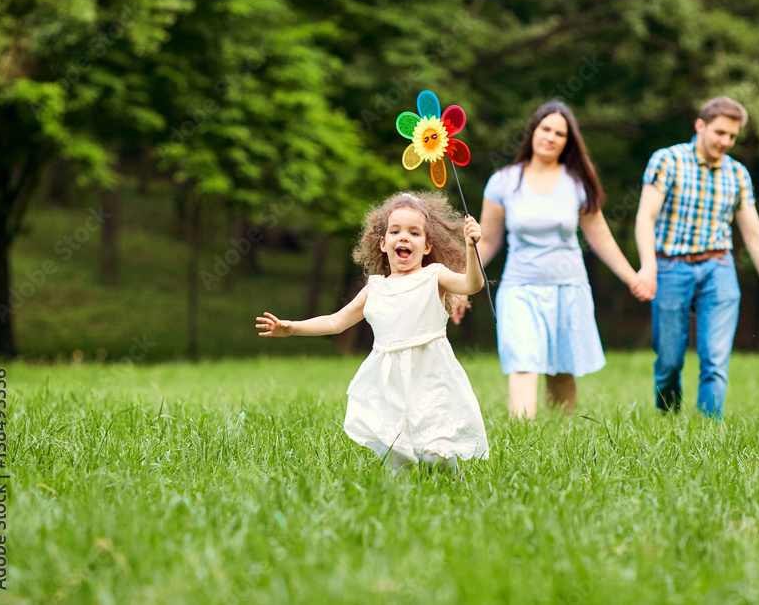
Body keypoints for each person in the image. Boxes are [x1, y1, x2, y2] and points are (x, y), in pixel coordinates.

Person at [256, 192, 489, 472]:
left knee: (436, 449)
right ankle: (401, 490)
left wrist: (471, 248)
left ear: (427, 246)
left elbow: (472, 285)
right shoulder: (375, 289)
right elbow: (336, 322)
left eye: (414, 233)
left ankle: (451, 483)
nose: (404, 238)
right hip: (390, 383)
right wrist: (293, 328)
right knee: (397, 453)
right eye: (395, 231)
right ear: (382, 243)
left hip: (431, 374)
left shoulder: (434, 276)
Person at [458, 101, 648, 419]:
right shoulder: (503, 182)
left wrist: (633, 278)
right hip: (520, 288)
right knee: (523, 362)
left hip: (568, 289)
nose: (551, 137)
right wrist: (460, 285)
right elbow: (487, 241)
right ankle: (522, 435)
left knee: (562, 370)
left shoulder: (576, 183)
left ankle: (562, 438)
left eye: (560, 133)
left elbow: (600, 236)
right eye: (546, 128)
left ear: (568, 142)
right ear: (533, 131)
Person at [634, 96, 759, 418]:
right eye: (720, 133)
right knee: (668, 360)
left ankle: (708, 430)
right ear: (700, 125)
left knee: (715, 359)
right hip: (670, 265)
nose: (725, 141)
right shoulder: (668, 160)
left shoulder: (737, 173)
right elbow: (646, 218)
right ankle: (668, 417)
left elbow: (755, 235)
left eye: (732, 136)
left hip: (718, 267)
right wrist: (648, 267)